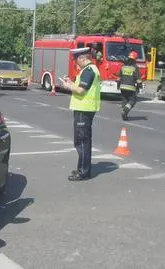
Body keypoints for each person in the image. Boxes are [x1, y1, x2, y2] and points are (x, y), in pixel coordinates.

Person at [61, 47, 101, 181]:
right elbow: (82, 88)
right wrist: (71, 82)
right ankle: (82, 168)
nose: (76, 63)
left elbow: (81, 91)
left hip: (84, 109)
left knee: (82, 141)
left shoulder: (88, 71)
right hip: (85, 109)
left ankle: (83, 172)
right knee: (82, 140)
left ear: (83, 58)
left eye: (77, 60)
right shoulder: (90, 70)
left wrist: (68, 86)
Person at [118, 51, 142, 121]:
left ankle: (124, 115)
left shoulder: (123, 66)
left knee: (124, 100)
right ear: (135, 59)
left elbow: (119, 77)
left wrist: (118, 85)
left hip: (122, 87)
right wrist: (140, 86)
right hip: (131, 87)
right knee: (133, 100)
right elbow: (138, 79)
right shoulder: (135, 67)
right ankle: (125, 110)